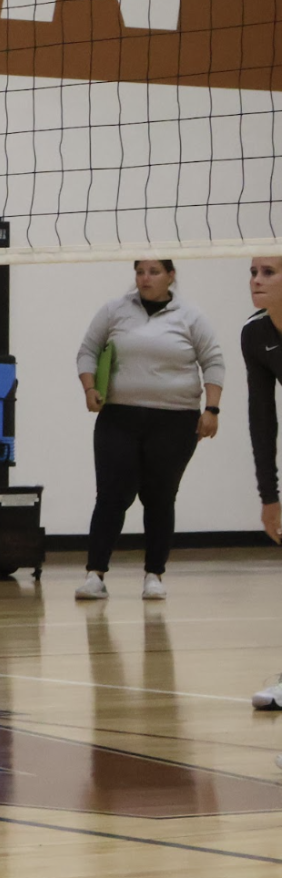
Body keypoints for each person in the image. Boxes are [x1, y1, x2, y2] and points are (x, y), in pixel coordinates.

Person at [74, 260, 224, 601]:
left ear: (171, 276)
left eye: (154, 271)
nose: (145, 278)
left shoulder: (191, 315)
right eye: (140, 271)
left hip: (175, 419)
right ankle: (95, 574)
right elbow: (88, 351)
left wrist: (212, 409)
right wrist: (88, 388)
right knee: (111, 496)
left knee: (159, 497)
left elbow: (213, 360)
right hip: (119, 417)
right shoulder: (115, 310)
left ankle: (154, 575)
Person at [240, 257, 282, 726]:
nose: (256, 280)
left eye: (269, 272)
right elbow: (262, 419)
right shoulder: (256, 334)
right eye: (253, 271)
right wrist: (268, 495)